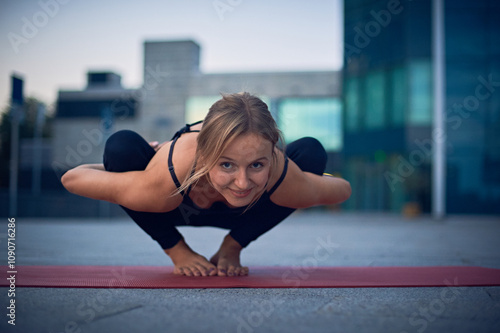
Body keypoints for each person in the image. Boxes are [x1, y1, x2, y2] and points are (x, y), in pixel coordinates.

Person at [62, 92, 351, 277]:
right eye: (227, 164)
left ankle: (232, 245)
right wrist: (176, 249)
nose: (242, 182)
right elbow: (72, 177)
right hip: (172, 203)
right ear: (205, 154)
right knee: (121, 146)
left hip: (249, 213)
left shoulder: (279, 172)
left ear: (270, 155)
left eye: (256, 165)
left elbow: (343, 190)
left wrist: (298, 179)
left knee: (311, 151)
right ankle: (177, 248)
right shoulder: (168, 175)